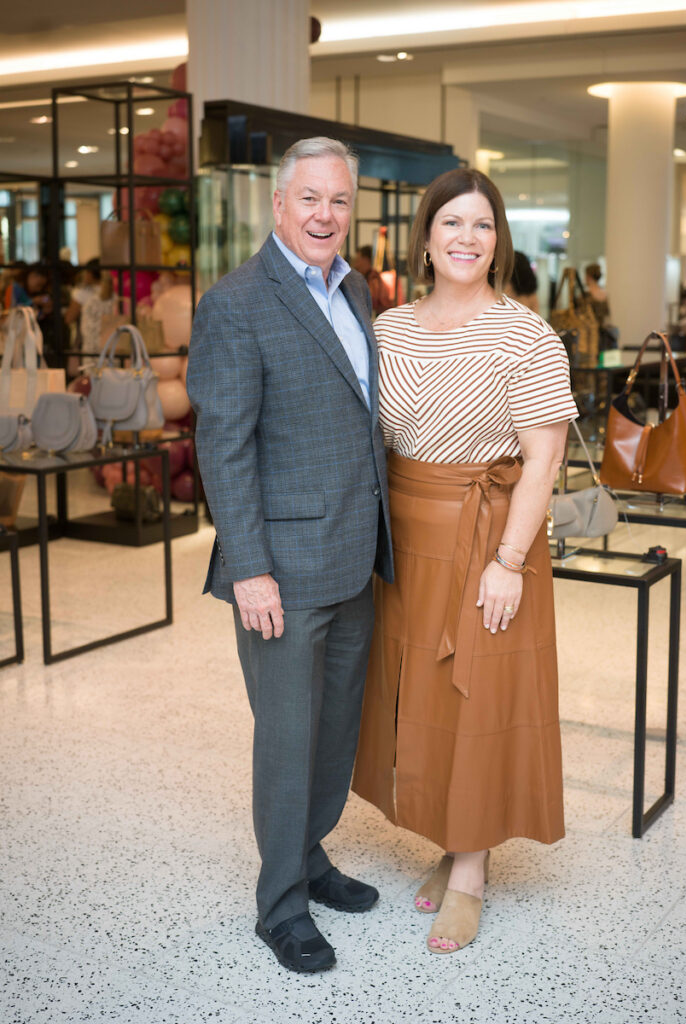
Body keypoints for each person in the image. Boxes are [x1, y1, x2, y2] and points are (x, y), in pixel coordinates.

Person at [352, 167, 577, 955]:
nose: (467, 239)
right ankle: (451, 840)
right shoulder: (387, 329)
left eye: (482, 225)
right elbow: (368, 441)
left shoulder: (527, 335)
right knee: (425, 697)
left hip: (490, 536)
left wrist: (509, 560)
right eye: (451, 223)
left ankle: (472, 875)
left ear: (499, 240)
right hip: (405, 538)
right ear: (423, 237)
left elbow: (543, 461)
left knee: (475, 696)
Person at [187, 137, 394, 975]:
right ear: (279, 206)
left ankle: (309, 857)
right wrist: (250, 568)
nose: (324, 215)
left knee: (333, 732)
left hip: (353, 553)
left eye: (338, 201)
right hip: (281, 568)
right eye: (309, 199)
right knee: (286, 739)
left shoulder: (358, 292)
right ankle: (280, 908)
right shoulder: (237, 302)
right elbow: (225, 447)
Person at [352, 244, 395, 316]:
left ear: (366, 260)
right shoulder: (366, 278)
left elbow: (372, 302)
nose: (356, 265)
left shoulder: (374, 280)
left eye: (358, 260)